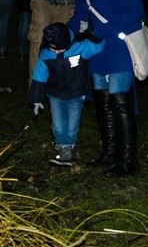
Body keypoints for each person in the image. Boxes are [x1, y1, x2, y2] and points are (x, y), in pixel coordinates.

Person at [67, 0, 145, 178]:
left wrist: (99, 30)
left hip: (118, 44)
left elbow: (135, 11)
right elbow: (81, 14)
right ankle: (109, 153)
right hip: (98, 48)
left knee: (119, 100)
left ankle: (128, 161)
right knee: (102, 100)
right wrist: (62, 33)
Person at [29, 22, 104, 166]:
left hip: (76, 95)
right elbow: (39, 75)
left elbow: (99, 46)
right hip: (55, 95)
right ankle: (62, 148)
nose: (56, 52)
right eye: (53, 48)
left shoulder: (80, 47)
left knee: (72, 125)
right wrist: (36, 98)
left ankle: (69, 144)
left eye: (59, 49)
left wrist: (92, 32)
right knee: (57, 124)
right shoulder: (46, 55)